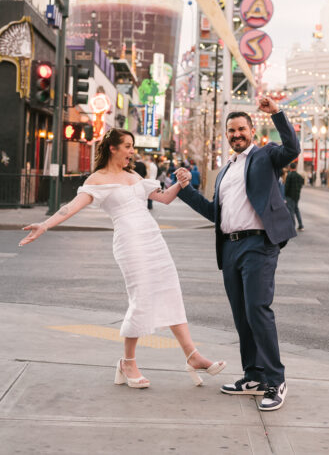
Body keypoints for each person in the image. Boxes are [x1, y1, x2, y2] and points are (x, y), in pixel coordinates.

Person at [19, 128, 225, 390]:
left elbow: (162, 199)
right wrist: (45, 225)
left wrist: (181, 182)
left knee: (171, 291)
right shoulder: (97, 179)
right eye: (127, 146)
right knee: (142, 298)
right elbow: (69, 207)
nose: (131, 151)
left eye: (132, 146)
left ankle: (193, 356)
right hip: (129, 242)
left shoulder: (133, 174)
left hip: (153, 239)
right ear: (113, 148)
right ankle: (128, 362)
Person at [176, 95, 300, 412]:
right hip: (230, 246)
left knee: (258, 310)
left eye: (241, 129)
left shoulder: (265, 156)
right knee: (242, 316)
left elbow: (291, 150)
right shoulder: (225, 171)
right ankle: (253, 376)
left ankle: (276, 380)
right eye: (231, 131)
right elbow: (213, 213)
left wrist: (278, 114)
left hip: (258, 244)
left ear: (251, 131)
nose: (236, 135)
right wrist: (186, 189)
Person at [284, 162, 304, 231]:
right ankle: (301, 225)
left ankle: (292, 226)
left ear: (290, 168)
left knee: (291, 211)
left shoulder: (289, 175)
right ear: (295, 167)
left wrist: (284, 195)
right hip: (296, 196)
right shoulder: (299, 176)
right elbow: (302, 182)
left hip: (290, 196)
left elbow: (286, 187)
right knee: (296, 210)